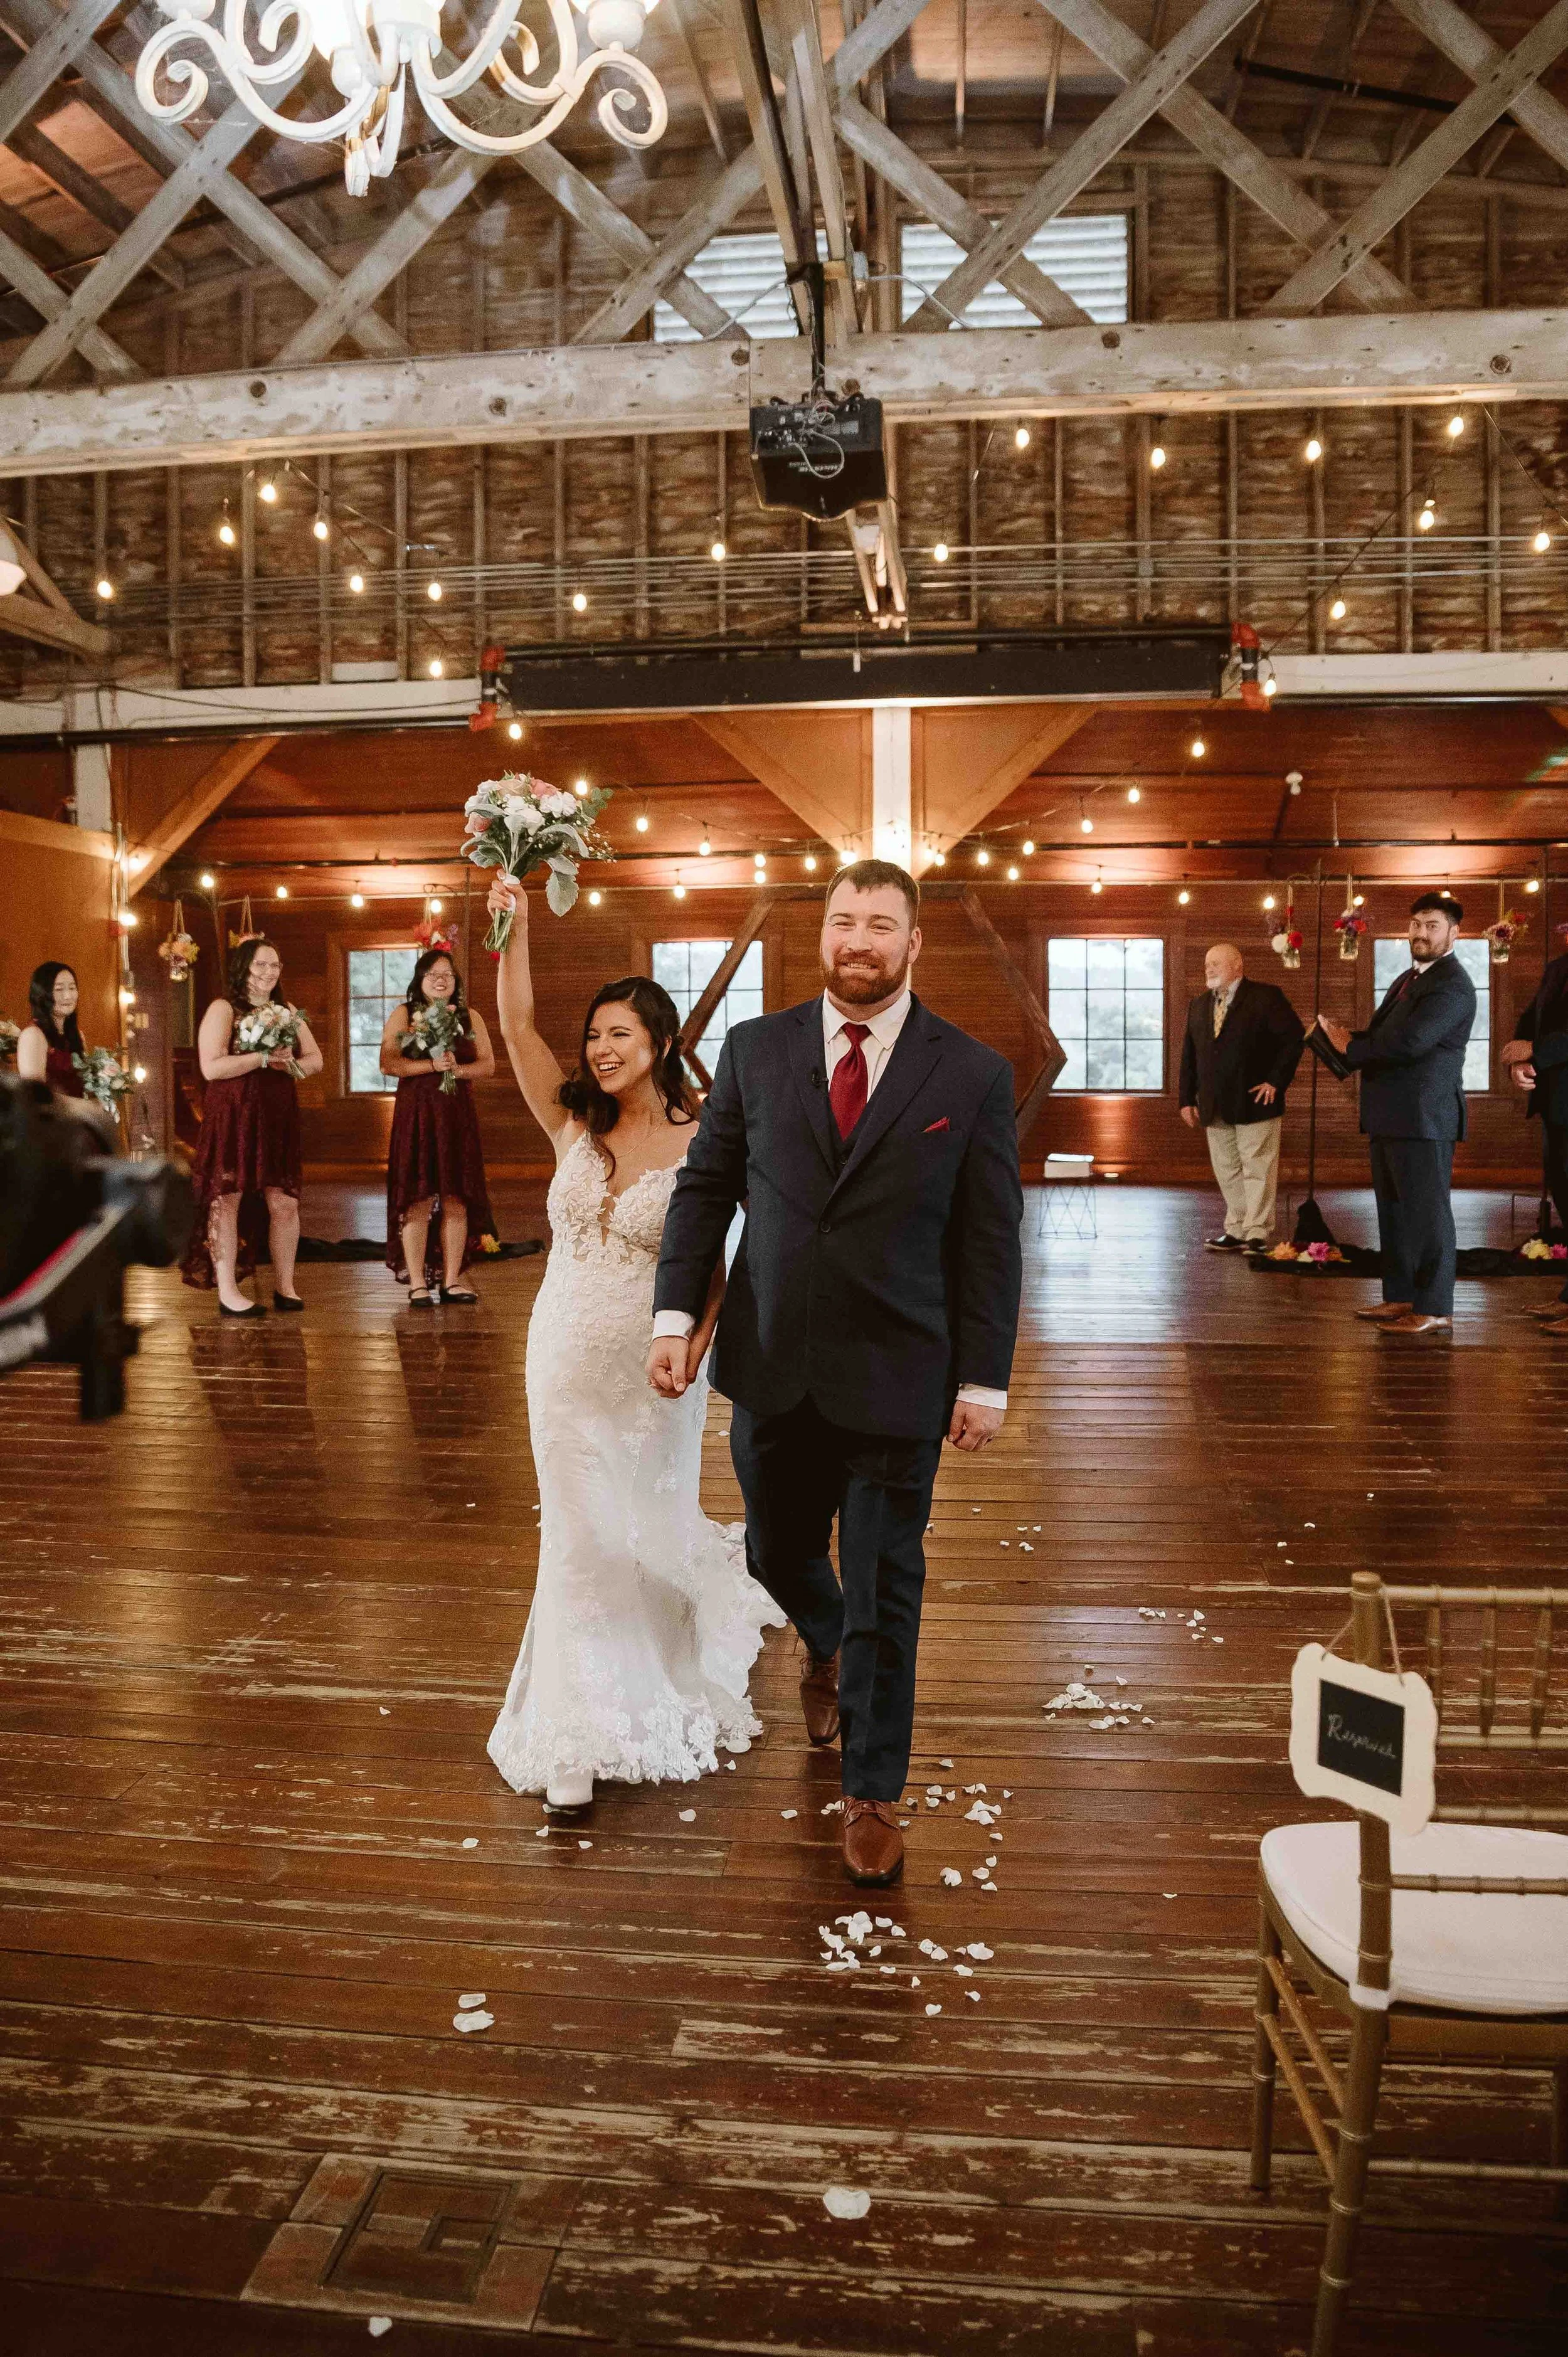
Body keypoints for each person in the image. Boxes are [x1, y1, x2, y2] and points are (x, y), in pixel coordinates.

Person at [649, 859, 1024, 1888]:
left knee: (886, 1584)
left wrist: (984, 1378)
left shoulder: (972, 1074)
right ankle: (827, 1640)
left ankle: (871, 1788)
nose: (860, 940)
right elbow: (706, 1189)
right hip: (772, 1361)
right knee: (774, 1549)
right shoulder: (755, 1048)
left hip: (902, 1372)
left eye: (881, 924)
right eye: (845, 921)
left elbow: (990, 1239)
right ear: (823, 934)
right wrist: (676, 1316)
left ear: (914, 942)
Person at [483, 873, 781, 1817]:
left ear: (659, 1043)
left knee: (643, 1523)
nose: (601, 1049)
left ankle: (660, 1656)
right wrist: (513, 926)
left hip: (656, 1366)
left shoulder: (702, 1138)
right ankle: (575, 1729)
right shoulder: (573, 1121)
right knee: (578, 1530)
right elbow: (516, 1026)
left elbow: (719, 1262)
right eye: (593, 1036)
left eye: (619, 1034)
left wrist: (700, 1343)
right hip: (562, 1354)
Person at [1315, 891, 1476, 1338]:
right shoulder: (1409, 978)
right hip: (1392, 1114)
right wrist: (1340, 1037)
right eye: (1416, 924)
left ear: (1454, 934)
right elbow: (1386, 1035)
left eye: (1433, 926)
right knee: (1395, 1214)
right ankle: (1402, 1296)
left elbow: (1411, 1043)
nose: (1421, 933)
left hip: (1424, 1117)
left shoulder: (1452, 984)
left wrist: (1352, 1047)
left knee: (1428, 1216)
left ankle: (1435, 1307)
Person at [181, 936, 324, 1316]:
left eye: (275, 965)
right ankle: (228, 1291)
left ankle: (285, 1286)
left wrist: (289, 1065)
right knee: (227, 1199)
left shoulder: (286, 1010)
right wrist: (261, 1058)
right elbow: (212, 1067)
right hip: (234, 1114)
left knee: (285, 1201)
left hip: (277, 1116)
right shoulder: (223, 1008)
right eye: (261, 964)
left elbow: (315, 1060)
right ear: (243, 968)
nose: (269, 972)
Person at [379, 945, 498, 1306]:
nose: (441, 980)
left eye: (447, 974)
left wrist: (456, 1070)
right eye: (433, 974)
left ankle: (452, 1280)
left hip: (456, 1117)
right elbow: (388, 1062)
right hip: (417, 1115)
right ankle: (417, 1283)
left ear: (456, 981)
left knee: (456, 1198)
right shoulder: (404, 1014)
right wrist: (431, 1066)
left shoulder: (470, 1017)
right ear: (421, 980)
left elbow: (488, 1065)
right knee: (419, 1197)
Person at [1179, 941, 1305, 1253]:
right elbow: (1189, 1055)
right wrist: (1186, 1099)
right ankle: (1237, 1228)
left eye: (1216, 963)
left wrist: (1276, 1081)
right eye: (1207, 964)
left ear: (1238, 965)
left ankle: (1257, 1230)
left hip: (1255, 1102)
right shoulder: (1199, 1004)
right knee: (1227, 1170)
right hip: (1214, 1103)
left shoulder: (1266, 997)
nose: (1209, 969)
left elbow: (1293, 1039)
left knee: (1258, 1168)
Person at [1502, 920, 1568, 1338]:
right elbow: (1531, 1021)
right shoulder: (1557, 968)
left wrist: (1537, 1051)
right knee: (1566, 1200)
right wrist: (1519, 1060)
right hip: (1555, 1104)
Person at [16, 961, 86, 1098]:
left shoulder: (78, 1035)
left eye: (72, 988)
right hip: (51, 1112)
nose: (68, 996)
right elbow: (35, 1098)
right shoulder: (33, 1035)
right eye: (59, 989)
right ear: (42, 994)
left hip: (80, 1111)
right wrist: (80, 1107)